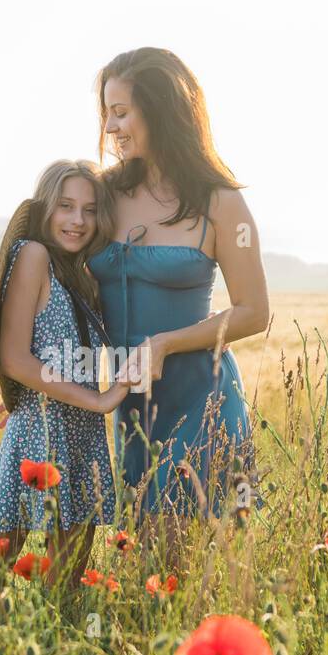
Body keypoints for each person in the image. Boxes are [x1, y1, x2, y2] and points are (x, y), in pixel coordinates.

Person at [88, 48, 269, 537]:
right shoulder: (99, 196)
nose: (109, 128)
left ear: (161, 109)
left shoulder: (221, 202)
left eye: (121, 112)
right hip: (131, 403)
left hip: (202, 400)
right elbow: (56, 284)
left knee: (170, 555)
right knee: (142, 570)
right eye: (106, 113)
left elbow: (254, 313)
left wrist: (165, 343)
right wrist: (30, 369)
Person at [0, 159, 132, 586]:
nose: (78, 220)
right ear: (45, 209)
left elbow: (53, 360)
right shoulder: (33, 255)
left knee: (65, 590)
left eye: (90, 209)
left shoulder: (82, 277)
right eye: (66, 206)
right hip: (38, 435)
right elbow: (15, 359)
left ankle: (54, 653)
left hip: (82, 437)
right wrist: (98, 399)